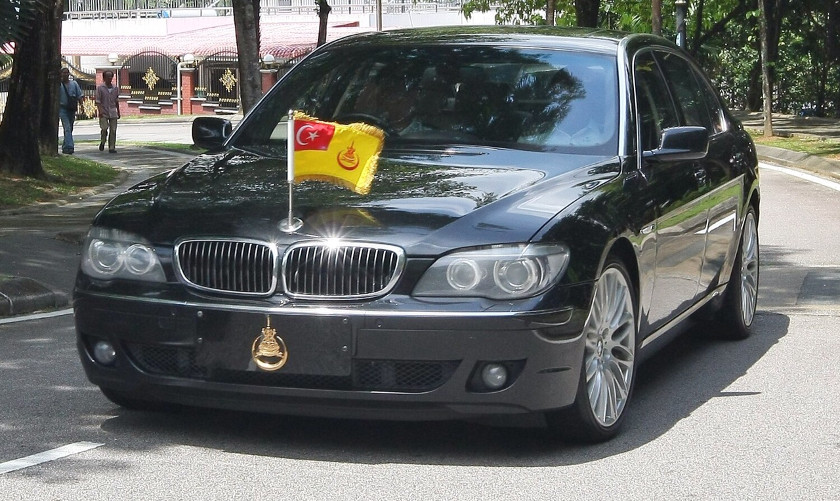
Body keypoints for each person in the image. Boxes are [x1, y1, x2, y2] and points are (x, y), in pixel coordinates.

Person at [58, 67, 83, 155]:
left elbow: (79, 95)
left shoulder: (74, 84)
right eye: (63, 73)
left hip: (71, 109)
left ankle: (65, 145)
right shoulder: (59, 85)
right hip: (62, 109)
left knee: (70, 128)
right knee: (67, 128)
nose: (65, 74)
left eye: (67, 73)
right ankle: (69, 147)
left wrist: (82, 106)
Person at [95, 70, 120, 153]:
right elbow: (98, 101)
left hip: (113, 111)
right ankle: (103, 141)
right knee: (104, 128)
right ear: (104, 78)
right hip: (104, 111)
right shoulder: (100, 88)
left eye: (111, 76)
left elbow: (116, 101)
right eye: (107, 76)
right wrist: (100, 111)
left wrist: (118, 112)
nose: (109, 78)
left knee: (113, 130)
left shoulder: (115, 88)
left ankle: (111, 147)